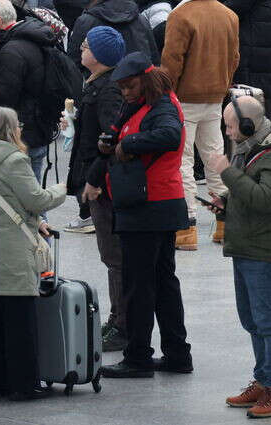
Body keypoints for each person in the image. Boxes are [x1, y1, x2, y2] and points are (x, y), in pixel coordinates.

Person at [92, 52, 191, 377]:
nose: (125, 93)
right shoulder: (145, 103)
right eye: (121, 88)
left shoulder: (161, 105)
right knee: (162, 283)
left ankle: (138, 357)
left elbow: (169, 135)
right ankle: (177, 355)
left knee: (140, 285)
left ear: (145, 80)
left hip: (150, 206)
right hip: (155, 205)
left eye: (130, 86)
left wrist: (128, 144)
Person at [205, 94, 271, 419]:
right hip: (244, 247)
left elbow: (263, 199)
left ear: (249, 124)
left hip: (263, 251)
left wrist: (226, 174)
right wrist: (226, 201)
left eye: (232, 126)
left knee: (267, 321)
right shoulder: (250, 150)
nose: (229, 133)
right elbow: (249, 193)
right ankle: (262, 380)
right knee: (251, 320)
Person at [0, 106, 67, 401]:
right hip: (10, 252)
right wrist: (63, 188)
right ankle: (24, 385)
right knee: (20, 322)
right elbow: (35, 200)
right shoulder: (14, 160)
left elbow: (0, 204)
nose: (21, 129)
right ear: (10, 130)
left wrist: (38, 225)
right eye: (18, 125)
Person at [159, 0, 239, 249]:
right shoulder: (229, 15)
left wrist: (166, 95)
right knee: (215, 157)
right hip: (216, 96)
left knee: (182, 163)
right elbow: (234, 58)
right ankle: (224, 223)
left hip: (183, 99)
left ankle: (187, 226)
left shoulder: (180, 16)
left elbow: (171, 62)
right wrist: (223, 85)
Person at [73, 26, 128, 349]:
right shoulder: (97, 84)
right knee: (112, 257)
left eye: (87, 45)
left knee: (114, 257)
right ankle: (117, 318)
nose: (81, 48)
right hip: (98, 179)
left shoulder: (108, 90)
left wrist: (94, 179)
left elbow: (110, 138)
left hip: (105, 185)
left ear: (102, 56)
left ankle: (121, 323)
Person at [0, 0, 59, 180]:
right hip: (38, 127)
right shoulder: (33, 39)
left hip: (22, 133)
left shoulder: (11, 51)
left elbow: (3, 100)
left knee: (24, 198)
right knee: (35, 191)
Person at [68, 0, 157, 63]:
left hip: (100, 76)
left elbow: (74, 59)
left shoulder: (86, 21)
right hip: (140, 75)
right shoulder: (140, 18)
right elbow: (154, 55)